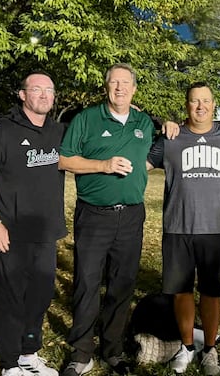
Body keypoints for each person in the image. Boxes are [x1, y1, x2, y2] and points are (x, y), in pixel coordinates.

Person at [58, 63, 154, 376]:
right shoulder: (86, 119)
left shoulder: (143, 122)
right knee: (87, 283)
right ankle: (82, 353)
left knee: (122, 285)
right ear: (106, 87)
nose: (120, 88)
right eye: (114, 82)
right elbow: (64, 159)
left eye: (126, 83)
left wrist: (171, 125)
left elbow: (159, 144)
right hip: (94, 215)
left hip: (131, 216)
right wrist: (103, 165)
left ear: (134, 89)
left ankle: (113, 350)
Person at [0, 72, 66, 376]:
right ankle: (9, 364)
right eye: (36, 89)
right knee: (10, 299)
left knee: (40, 297)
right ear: (22, 94)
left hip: (46, 231)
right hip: (10, 232)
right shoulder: (1, 130)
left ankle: (28, 354)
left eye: (49, 90)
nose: (44, 95)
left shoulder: (59, 131)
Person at [146, 83, 220, 375]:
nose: (200, 106)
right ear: (187, 105)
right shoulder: (171, 137)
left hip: (214, 228)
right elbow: (142, 164)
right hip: (178, 227)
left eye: (205, 101)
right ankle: (187, 346)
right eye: (194, 101)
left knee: (212, 292)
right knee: (181, 291)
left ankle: (210, 348)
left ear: (214, 104)